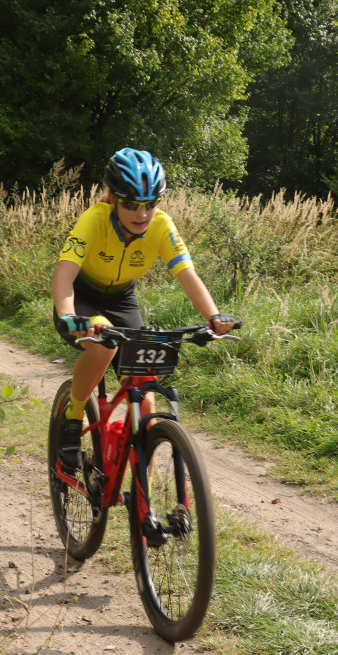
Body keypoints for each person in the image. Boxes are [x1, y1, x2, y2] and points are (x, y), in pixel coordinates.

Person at [51, 148, 235, 471]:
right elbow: (65, 272)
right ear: (112, 198)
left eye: (150, 203)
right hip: (82, 298)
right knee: (105, 345)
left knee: (146, 398)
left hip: (122, 299)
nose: (142, 213)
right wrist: (69, 314)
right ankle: (72, 417)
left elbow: (187, 276)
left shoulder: (161, 226)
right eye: (132, 204)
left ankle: (142, 502)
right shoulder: (94, 220)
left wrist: (213, 316)